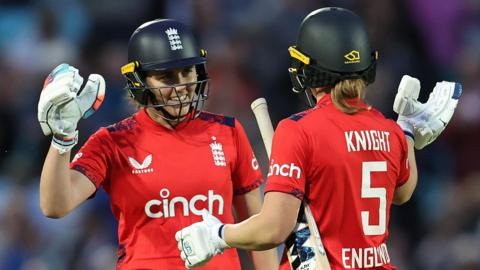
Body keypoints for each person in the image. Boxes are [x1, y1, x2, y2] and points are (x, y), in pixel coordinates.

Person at [176, 7, 462, 269]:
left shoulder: (298, 130)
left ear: (309, 70)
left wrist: (218, 234)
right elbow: (402, 191)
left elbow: (273, 228)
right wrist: (408, 131)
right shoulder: (389, 130)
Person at [37, 19, 278, 269]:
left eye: (187, 72)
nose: (181, 87)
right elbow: (55, 205)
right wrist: (63, 138)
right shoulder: (112, 141)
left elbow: (258, 227)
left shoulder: (229, 132)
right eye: (166, 77)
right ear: (140, 82)